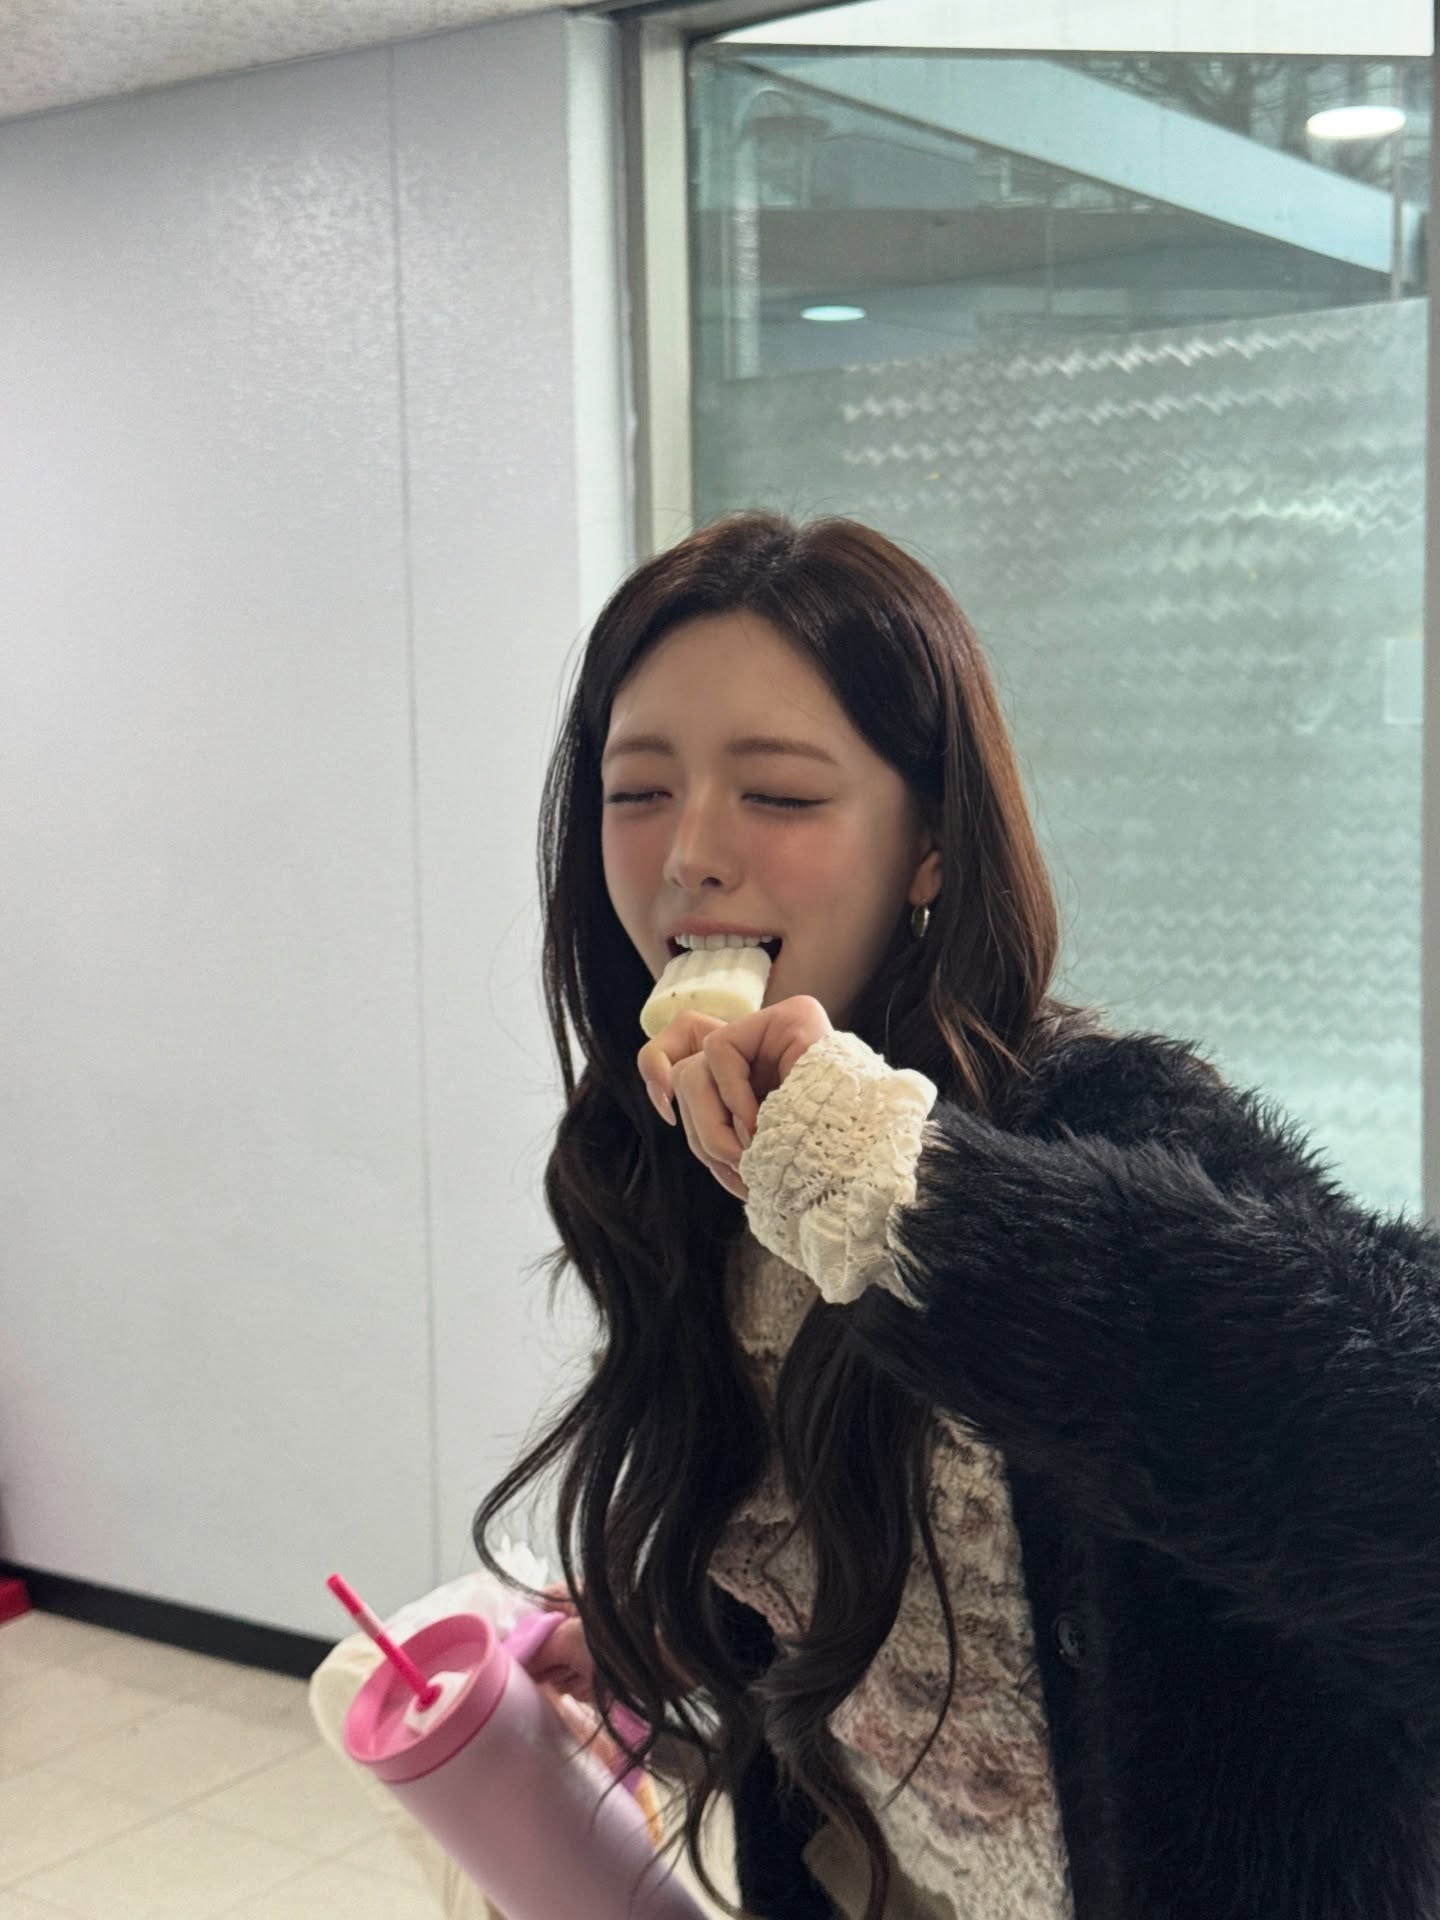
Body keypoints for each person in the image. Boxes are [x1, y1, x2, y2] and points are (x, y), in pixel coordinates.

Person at [472, 510, 1440, 1920]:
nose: (691, 854)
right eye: (638, 792)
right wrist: (665, 1637)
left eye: (778, 794)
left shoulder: (1103, 1122)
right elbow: (844, 1568)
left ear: (927, 845)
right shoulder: (662, 1164)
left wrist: (912, 1198)